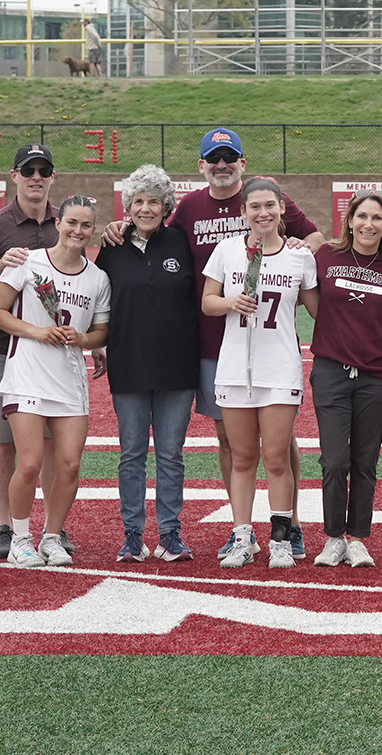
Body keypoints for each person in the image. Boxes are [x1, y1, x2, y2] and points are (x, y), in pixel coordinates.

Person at [105, 128, 324, 561]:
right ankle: (242, 530)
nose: (222, 166)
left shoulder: (266, 197)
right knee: (231, 440)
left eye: (229, 158)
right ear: (202, 165)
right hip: (210, 343)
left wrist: (302, 245)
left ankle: (290, 525)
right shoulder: (189, 207)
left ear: (242, 162)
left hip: (271, 345)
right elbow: (153, 233)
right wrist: (120, 226)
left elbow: (313, 238)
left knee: (280, 445)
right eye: (214, 159)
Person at [202, 177, 319, 570]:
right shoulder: (227, 249)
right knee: (242, 458)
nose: (263, 213)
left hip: (279, 368)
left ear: (282, 208)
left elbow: (319, 310)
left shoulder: (299, 256)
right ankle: (242, 537)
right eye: (254, 206)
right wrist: (230, 302)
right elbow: (207, 303)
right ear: (243, 212)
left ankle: (281, 538)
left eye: (270, 205)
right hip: (235, 367)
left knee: (277, 458)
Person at [0, 195, 111, 569]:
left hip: (70, 381)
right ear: (58, 224)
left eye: (85, 225)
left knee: (69, 465)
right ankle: (20, 539)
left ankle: (52, 536)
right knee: (29, 463)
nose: (78, 230)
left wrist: (82, 338)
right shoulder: (29, 262)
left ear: (93, 230)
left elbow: (101, 332)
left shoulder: (98, 278)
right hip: (27, 375)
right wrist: (37, 331)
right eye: (71, 222)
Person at [95, 164, 200, 562]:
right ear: (128, 206)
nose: (145, 208)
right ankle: (133, 535)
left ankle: (170, 534)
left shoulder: (181, 243)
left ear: (166, 206)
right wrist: (97, 343)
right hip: (129, 362)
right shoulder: (112, 247)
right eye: (138, 201)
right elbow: (98, 301)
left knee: (171, 453)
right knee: (132, 453)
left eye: (154, 201)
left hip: (177, 364)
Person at [0, 144, 65, 560]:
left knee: (50, 445)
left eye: (44, 170)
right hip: (4, 348)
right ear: (14, 176)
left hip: (53, 352)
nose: (36, 177)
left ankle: (51, 530)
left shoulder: (65, 222)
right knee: (6, 442)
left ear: (53, 176)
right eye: (28, 170)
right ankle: (3, 525)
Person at [310, 191, 382, 570]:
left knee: (365, 460)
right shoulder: (325, 256)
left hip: (376, 374)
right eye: (361, 216)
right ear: (349, 221)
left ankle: (358, 539)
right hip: (331, 370)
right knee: (335, 460)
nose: (368, 224)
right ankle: (334, 536)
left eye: (377, 218)